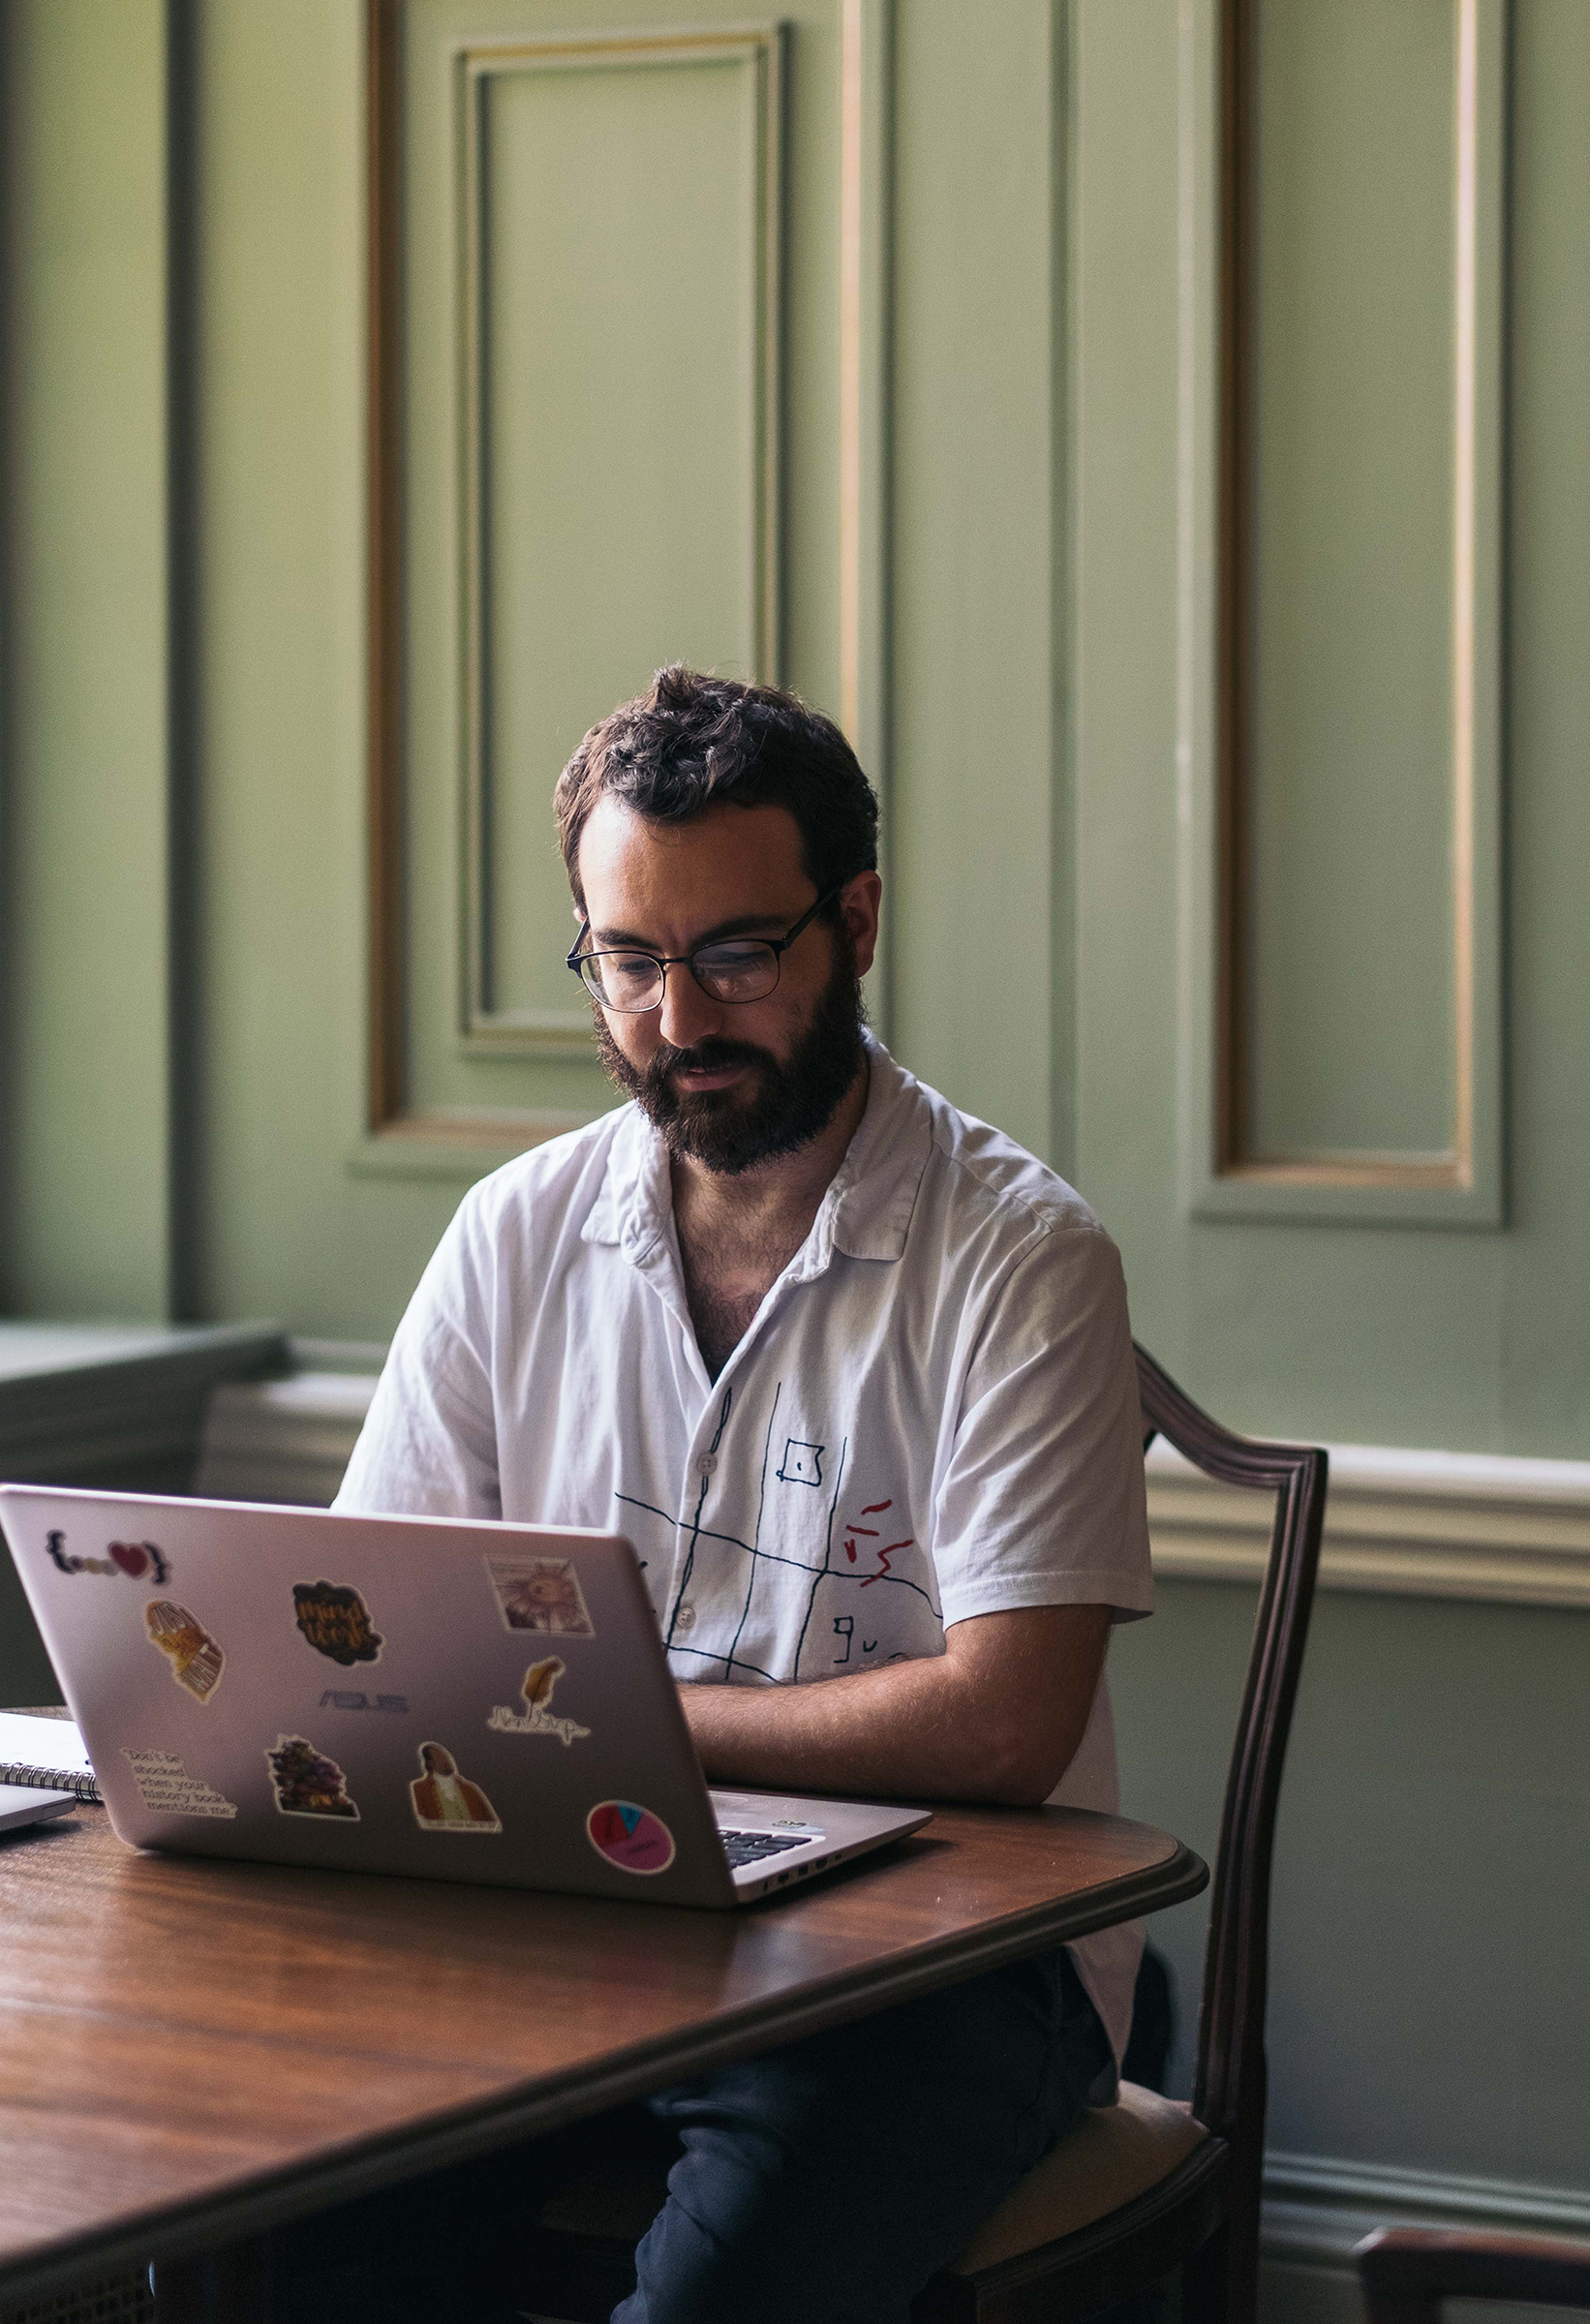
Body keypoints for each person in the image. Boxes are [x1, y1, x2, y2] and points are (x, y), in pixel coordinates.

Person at [330, 665, 1154, 2323]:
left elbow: (1008, 1726)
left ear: (853, 920)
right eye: (627, 963)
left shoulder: (1021, 1256)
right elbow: (367, 1635)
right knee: (294, 2221)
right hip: (571, 1926)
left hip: (934, 1970)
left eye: (733, 955)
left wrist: (625, 1712)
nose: (679, 1023)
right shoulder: (512, 1234)